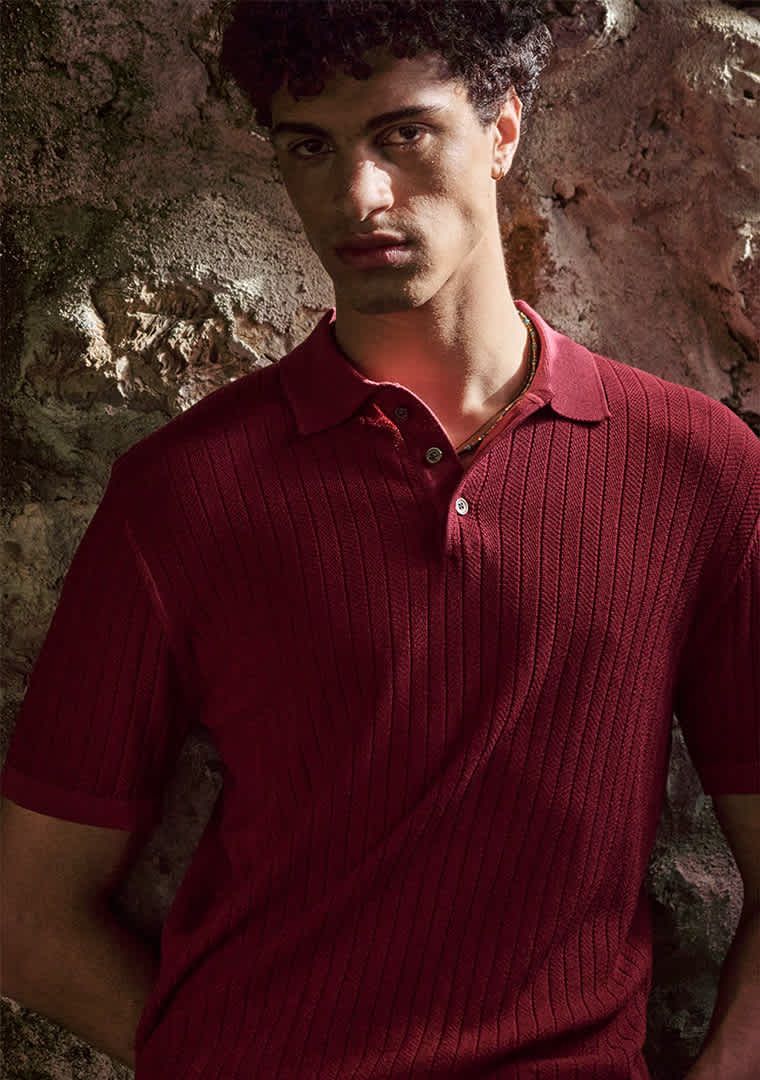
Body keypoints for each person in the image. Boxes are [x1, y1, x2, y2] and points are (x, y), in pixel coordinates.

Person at [1, 2, 758, 1077]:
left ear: (502, 129)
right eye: (310, 147)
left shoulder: (696, 469)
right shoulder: (182, 495)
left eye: (403, 133)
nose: (358, 196)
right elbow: (27, 918)